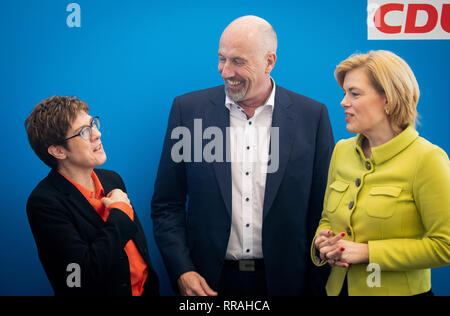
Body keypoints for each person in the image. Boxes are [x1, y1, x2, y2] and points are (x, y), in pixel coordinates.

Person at [151, 16, 334, 296]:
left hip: (287, 284)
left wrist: (315, 281)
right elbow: (167, 205)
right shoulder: (188, 111)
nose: (225, 71)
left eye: (238, 61)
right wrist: (182, 271)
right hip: (208, 284)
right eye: (221, 59)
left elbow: (322, 211)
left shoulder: (312, 117)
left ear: (269, 62)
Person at [312, 50, 450, 296]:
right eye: (344, 93)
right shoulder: (341, 151)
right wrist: (322, 242)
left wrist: (368, 253)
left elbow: (446, 246)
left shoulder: (427, 159)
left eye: (354, 93)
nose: (343, 102)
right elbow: (326, 219)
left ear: (389, 99)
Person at [25, 96, 159, 296]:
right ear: (59, 150)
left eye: (93, 124)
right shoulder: (44, 203)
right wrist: (120, 214)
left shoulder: (112, 180)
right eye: (84, 132)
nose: (97, 133)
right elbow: (80, 277)